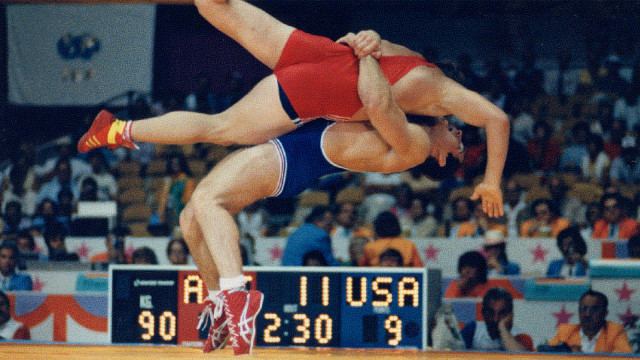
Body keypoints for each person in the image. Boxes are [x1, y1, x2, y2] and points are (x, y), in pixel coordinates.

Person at [78, 0, 509, 219]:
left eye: (458, 146)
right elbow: (496, 117)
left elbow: (370, 44)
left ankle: (118, 130)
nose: (460, 135)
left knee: (217, 7)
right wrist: (492, 183)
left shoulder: (420, 76)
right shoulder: (441, 95)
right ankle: (117, 130)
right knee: (222, 127)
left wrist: (367, 39)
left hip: (320, 54)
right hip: (320, 85)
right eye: (460, 138)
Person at [179, 55, 470, 355]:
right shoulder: (415, 131)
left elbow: (380, 102)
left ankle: (236, 297)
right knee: (190, 218)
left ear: (441, 157)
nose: (459, 133)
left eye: (458, 146)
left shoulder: (417, 143)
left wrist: (368, 51)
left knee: (208, 201)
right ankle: (219, 305)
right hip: (298, 150)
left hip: (292, 159)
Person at [546, 290, 631, 353]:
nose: (587, 314)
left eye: (594, 310)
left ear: (605, 313)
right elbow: (545, 352)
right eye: (584, 309)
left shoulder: (615, 331)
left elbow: (623, 356)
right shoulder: (566, 331)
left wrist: (579, 357)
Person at [460, 287, 533, 351]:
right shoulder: (473, 330)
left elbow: (521, 358)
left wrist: (503, 328)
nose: (495, 319)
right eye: (491, 313)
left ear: (510, 315)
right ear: (483, 313)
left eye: (501, 313)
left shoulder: (521, 336)